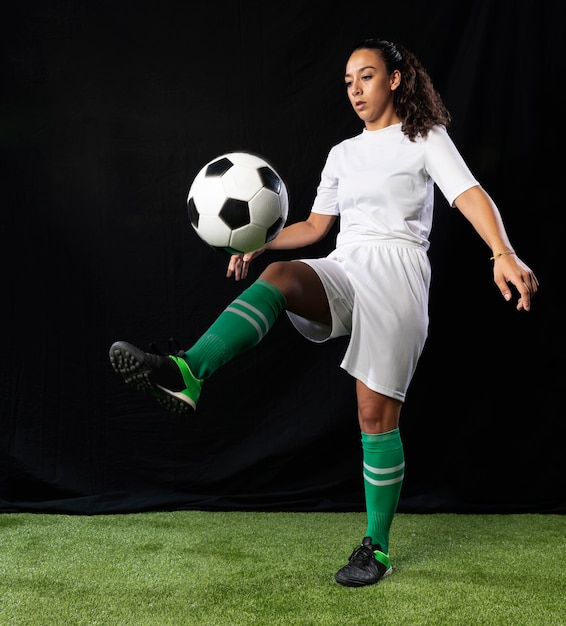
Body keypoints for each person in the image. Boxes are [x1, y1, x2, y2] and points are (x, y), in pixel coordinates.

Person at [109, 37, 539, 587]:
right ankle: (189, 372)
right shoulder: (342, 153)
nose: (355, 90)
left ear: (395, 80)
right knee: (281, 276)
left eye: (366, 76)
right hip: (348, 264)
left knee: (374, 418)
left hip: (400, 276)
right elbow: (316, 228)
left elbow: (470, 193)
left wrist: (501, 252)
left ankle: (376, 548)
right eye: (348, 82)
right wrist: (264, 244)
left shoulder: (425, 138)